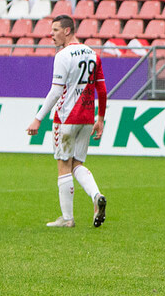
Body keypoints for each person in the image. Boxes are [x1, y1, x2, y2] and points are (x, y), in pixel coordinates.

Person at [25, 15, 109, 229]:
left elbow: (56, 91)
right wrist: (100, 118)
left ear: (68, 31)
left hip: (66, 117)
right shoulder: (93, 54)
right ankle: (96, 195)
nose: (51, 34)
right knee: (77, 164)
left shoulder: (63, 55)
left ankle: (67, 218)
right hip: (88, 117)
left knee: (63, 165)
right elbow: (102, 89)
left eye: (55, 30)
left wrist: (37, 119)